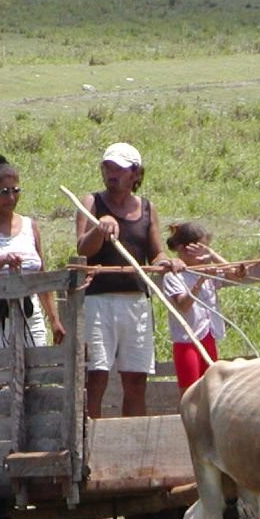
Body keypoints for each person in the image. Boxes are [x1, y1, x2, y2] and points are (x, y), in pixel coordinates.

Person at [74, 142, 181, 417]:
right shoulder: (91, 203)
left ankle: (133, 445)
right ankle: (90, 443)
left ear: (135, 174)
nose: (112, 174)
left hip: (135, 301)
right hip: (98, 300)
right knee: (95, 377)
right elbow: (82, 249)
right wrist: (100, 229)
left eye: (119, 169)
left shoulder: (147, 208)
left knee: (136, 378)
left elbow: (155, 252)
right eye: (108, 167)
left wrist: (167, 262)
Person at [0, 154, 64, 349]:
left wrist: (54, 319)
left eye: (15, 191)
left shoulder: (29, 225)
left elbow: (41, 274)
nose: (11, 198)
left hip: (29, 312)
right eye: (3, 192)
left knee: (35, 372)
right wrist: (4, 259)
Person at [161, 222, 247, 392]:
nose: (203, 257)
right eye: (200, 251)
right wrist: (201, 280)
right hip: (188, 340)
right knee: (190, 390)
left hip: (209, 336)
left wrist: (212, 254)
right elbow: (183, 305)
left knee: (211, 388)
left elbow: (235, 274)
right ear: (183, 249)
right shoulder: (173, 276)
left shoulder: (208, 268)